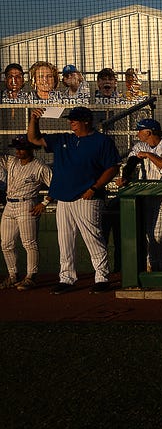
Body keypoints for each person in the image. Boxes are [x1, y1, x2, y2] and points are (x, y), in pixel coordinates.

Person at [26, 106, 120, 294]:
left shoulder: (101, 141)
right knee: (65, 240)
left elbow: (112, 168)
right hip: (63, 198)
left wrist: (94, 188)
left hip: (87, 198)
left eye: (75, 119)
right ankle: (66, 278)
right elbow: (33, 139)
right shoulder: (64, 138)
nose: (71, 122)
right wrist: (34, 120)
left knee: (93, 238)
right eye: (71, 119)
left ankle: (102, 277)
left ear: (87, 120)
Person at [120, 118, 162, 271]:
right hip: (147, 196)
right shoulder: (140, 145)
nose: (138, 134)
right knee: (148, 235)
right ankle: (152, 266)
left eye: (140, 130)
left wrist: (149, 155)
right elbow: (131, 162)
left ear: (148, 132)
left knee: (158, 235)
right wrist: (125, 177)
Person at [0, 137, 53, 290]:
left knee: (29, 243)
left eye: (22, 148)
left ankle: (31, 276)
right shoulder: (11, 161)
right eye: (17, 148)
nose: (18, 151)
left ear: (31, 149)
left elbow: (55, 185)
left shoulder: (39, 166)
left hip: (27, 203)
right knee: (6, 244)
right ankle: (13, 276)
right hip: (9, 204)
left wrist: (44, 203)